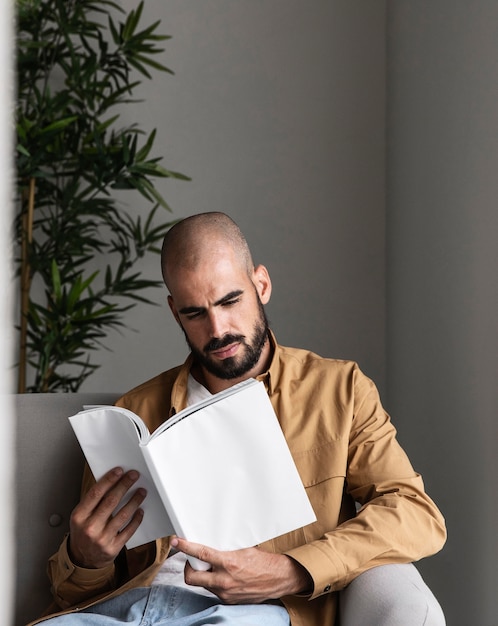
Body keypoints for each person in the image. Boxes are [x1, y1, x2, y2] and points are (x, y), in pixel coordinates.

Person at [32, 212, 447, 626]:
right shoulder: (132, 413)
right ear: (176, 313)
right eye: (195, 313)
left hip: (245, 615)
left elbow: (414, 513)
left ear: (261, 285)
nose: (218, 329)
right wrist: (86, 558)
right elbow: (77, 591)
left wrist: (291, 569)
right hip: (123, 613)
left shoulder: (340, 390)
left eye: (230, 301)